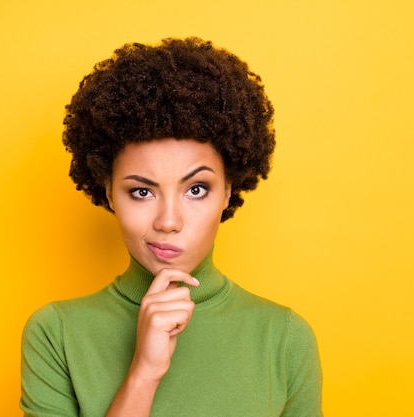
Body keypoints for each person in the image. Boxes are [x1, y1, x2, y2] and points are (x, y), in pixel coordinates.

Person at [21, 37, 323, 417]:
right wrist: (144, 373)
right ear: (110, 193)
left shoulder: (284, 339)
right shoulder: (57, 333)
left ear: (228, 191)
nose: (168, 221)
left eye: (196, 189)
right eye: (142, 191)